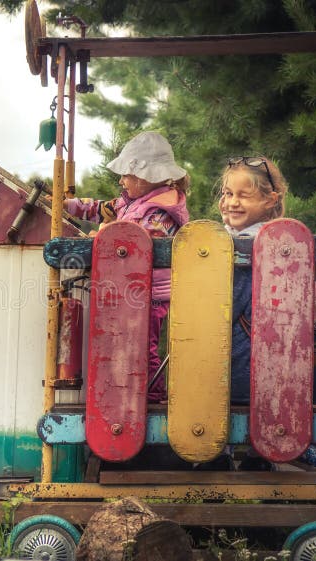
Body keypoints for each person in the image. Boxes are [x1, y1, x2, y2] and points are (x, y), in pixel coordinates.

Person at [219, 156, 316, 470]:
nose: (231, 202)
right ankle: (301, 434)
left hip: (227, 377)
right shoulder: (285, 243)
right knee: (314, 323)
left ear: (271, 200)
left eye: (243, 195)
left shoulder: (229, 244)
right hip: (267, 378)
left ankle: (223, 451)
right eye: (227, 194)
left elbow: (224, 313)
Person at [64, 131, 190, 403]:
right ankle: (127, 392)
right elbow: (98, 209)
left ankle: (153, 397)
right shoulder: (131, 201)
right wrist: (66, 205)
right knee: (125, 342)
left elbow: (132, 242)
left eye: (126, 174)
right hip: (131, 288)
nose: (121, 180)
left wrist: (101, 235)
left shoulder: (159, 212)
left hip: (151, 294)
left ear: (145, 177)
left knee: (145, 344)